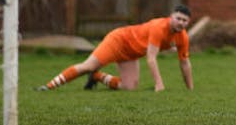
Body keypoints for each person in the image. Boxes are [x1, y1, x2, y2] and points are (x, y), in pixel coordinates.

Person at [37, 5, 194, 92]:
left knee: (129, 88)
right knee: (88, 65)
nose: (180, 22)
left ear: (188, 23)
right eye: (178, 18)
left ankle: (96, 77)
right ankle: (48, 87)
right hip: (119, 40)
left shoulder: (183, 37)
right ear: (171, 17)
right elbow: (151, 58)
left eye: (184, 20)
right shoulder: (159, 27)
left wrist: (190, 90)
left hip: (131, 54)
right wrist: (159, 84)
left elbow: (185, 63)